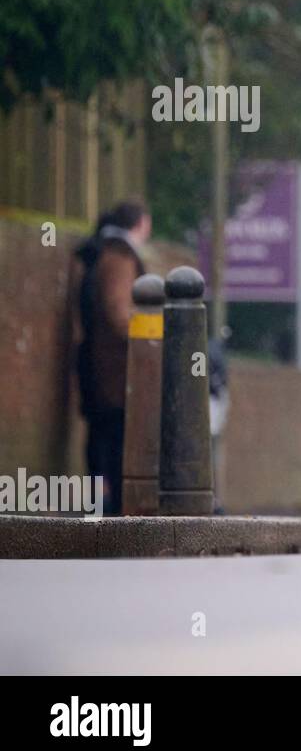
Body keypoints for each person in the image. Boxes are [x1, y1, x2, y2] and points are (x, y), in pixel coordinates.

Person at [73, 199, 151, 515]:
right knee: (114, 435)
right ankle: (113, 507)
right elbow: (118, 311)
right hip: (115, 366)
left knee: (104, 432)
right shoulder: (119, 257)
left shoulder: (106, 250)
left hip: (102, 363)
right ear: (141, 223)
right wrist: (148, 336)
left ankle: (107, 505)